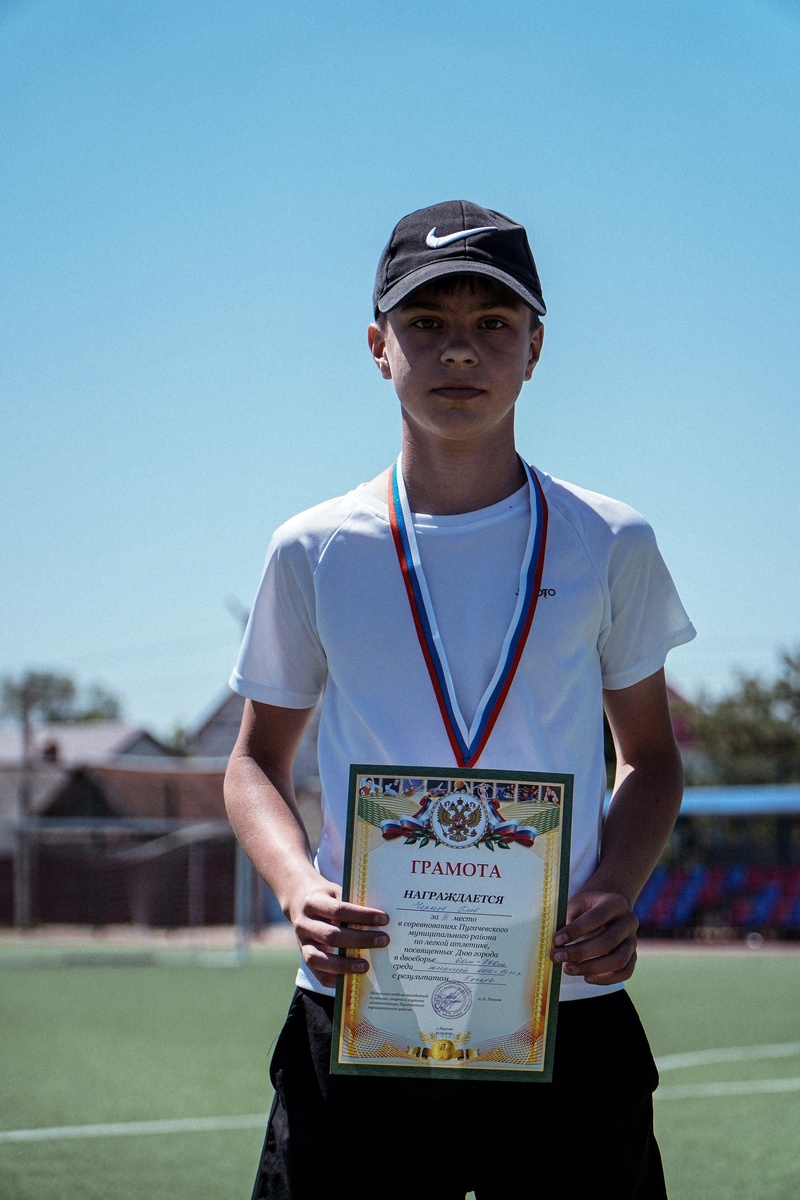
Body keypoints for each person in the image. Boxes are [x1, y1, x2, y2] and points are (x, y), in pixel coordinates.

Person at [224, 199, 696, 1199]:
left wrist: (616, 885)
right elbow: (255, 764)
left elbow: (650, 760)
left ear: (535, 349)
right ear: (377, 346)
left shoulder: (610, 539)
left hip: (563, 1003)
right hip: (361, 1007)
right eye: (426, 321)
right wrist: (297, 889)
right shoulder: (314, 547)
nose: (459, 350)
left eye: (493, 322)